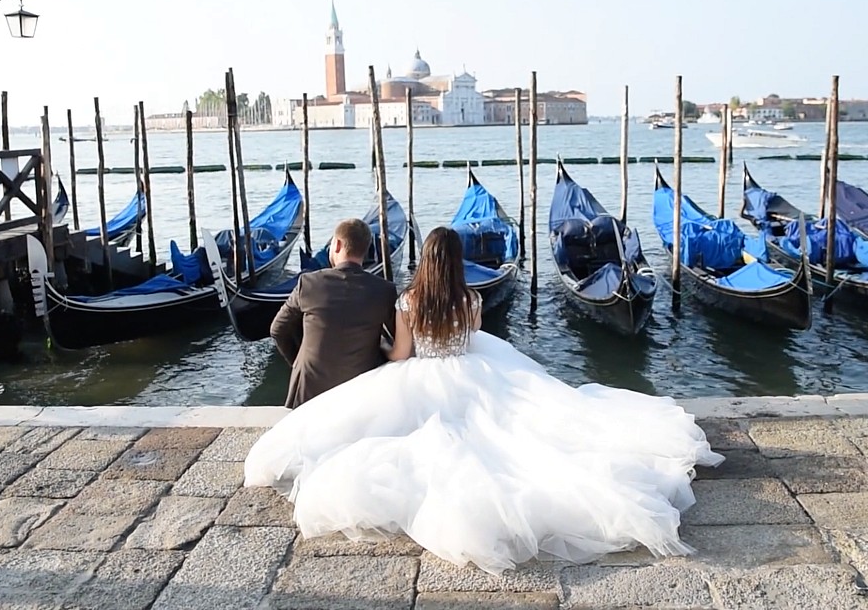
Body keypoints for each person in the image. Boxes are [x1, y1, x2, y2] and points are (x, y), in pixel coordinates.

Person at [246, 227, 723, 575]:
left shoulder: (408, 300)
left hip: (418, 375)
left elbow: (402, 353)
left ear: (425, 261)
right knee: (506, 429)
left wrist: (385, 353)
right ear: (455, 262)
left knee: (407, 431)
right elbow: (468, 340)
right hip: (472, 370)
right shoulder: (471, 300)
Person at [270, 218, 397, 409]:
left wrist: (300, 361)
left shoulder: (308, 283)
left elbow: (277, 329)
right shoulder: (384, 291)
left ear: (336, 244)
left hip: (309, 392)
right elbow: (397, 340)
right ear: (365, 249)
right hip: (361, 391)